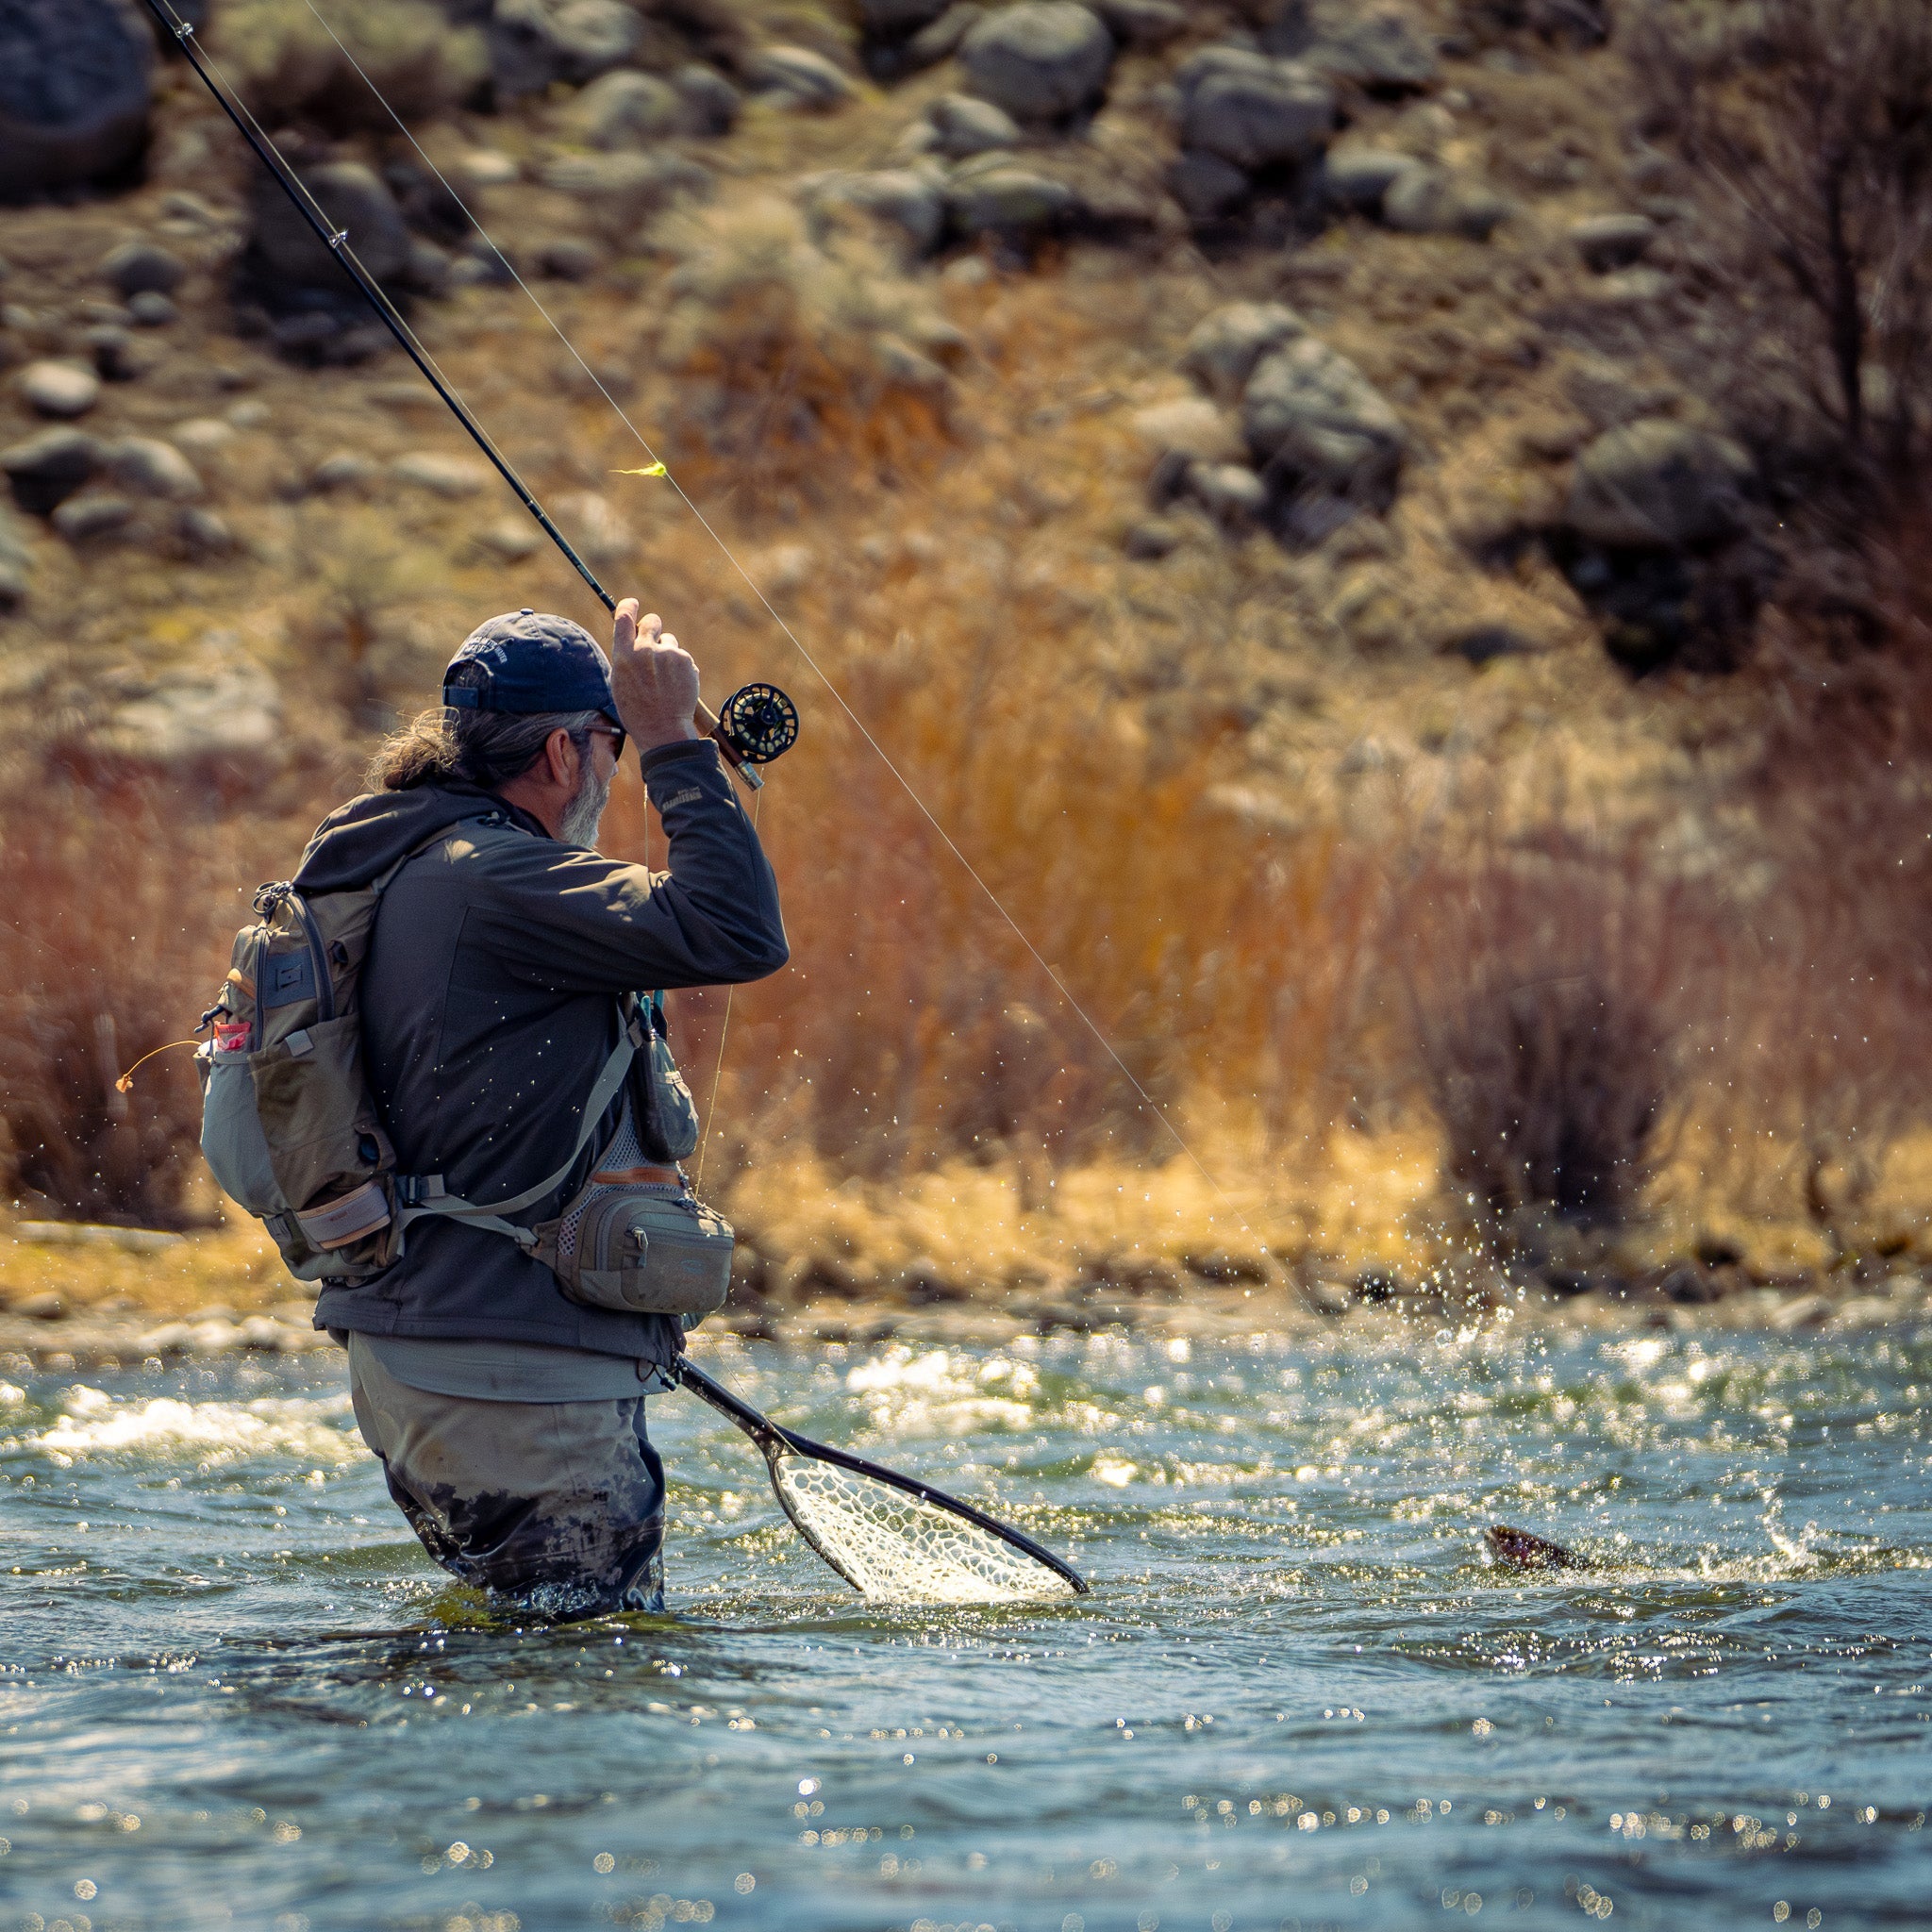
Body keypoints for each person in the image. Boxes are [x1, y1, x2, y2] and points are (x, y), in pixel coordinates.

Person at [293, 598, 788, 1617]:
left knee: (521, 1653)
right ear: (565, 751)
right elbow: (736, 930)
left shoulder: (415, 863)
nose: (615, 772)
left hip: (437, 1352)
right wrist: (675, 745)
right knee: (583, 1671)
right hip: (504, 1376)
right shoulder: (500, 878)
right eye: (611, 745)